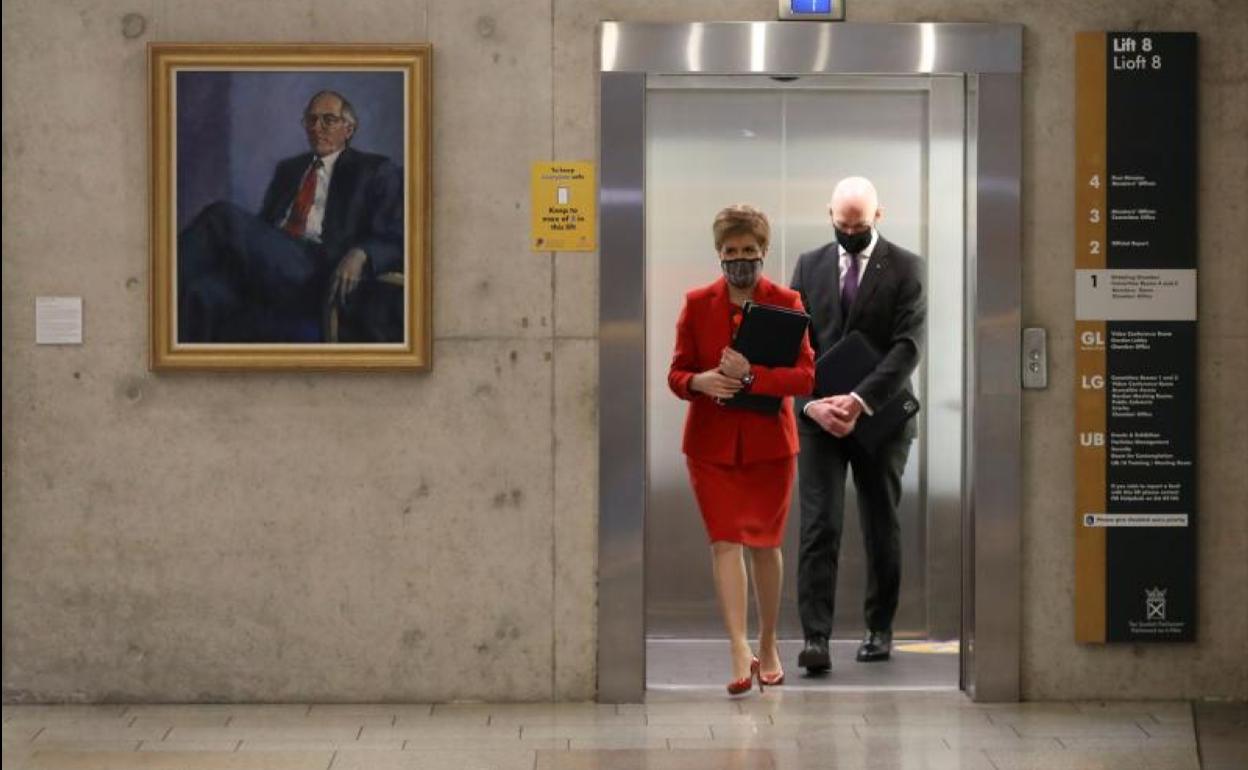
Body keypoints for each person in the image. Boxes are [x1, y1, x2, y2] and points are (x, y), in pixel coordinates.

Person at [668, 204, 815, 695]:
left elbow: (805, 376)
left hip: (769, 447)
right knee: (724, 542)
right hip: (710, 447)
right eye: (730, 251)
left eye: (748, 250)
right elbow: (677, 373)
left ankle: (768, 643)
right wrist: (701, 381)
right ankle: (737, 647)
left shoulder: (786, 302)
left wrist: (753, 377)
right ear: (719, 253)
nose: (739, 259)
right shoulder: (697, 304)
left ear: (763, 250)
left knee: (765, 546)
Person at [790, 177, 925, 674]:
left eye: (860, 226)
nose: (850, 233)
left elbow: (908, 346)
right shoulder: (809, 265)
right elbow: (793, 344)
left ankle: (879, 628)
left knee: (879, 523)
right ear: (830, 215)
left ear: (878, 217)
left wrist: (859, 399)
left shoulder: (907, 266)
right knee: (818, 526)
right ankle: (815, 638)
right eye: (843, 225)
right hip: (819, 417)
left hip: (880, 419)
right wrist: (811, 405)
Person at [177, 89, 404, 343]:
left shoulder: (374, 170)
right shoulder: (289, 169)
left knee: (221, 216)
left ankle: (156, 283)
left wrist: (361, 253)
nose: (317, 127)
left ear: (348, 129)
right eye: (311, 120)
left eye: (328, 120)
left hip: (319, 272)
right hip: (275, 268)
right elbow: (262, 234)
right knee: (201, 292)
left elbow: (397, 235)